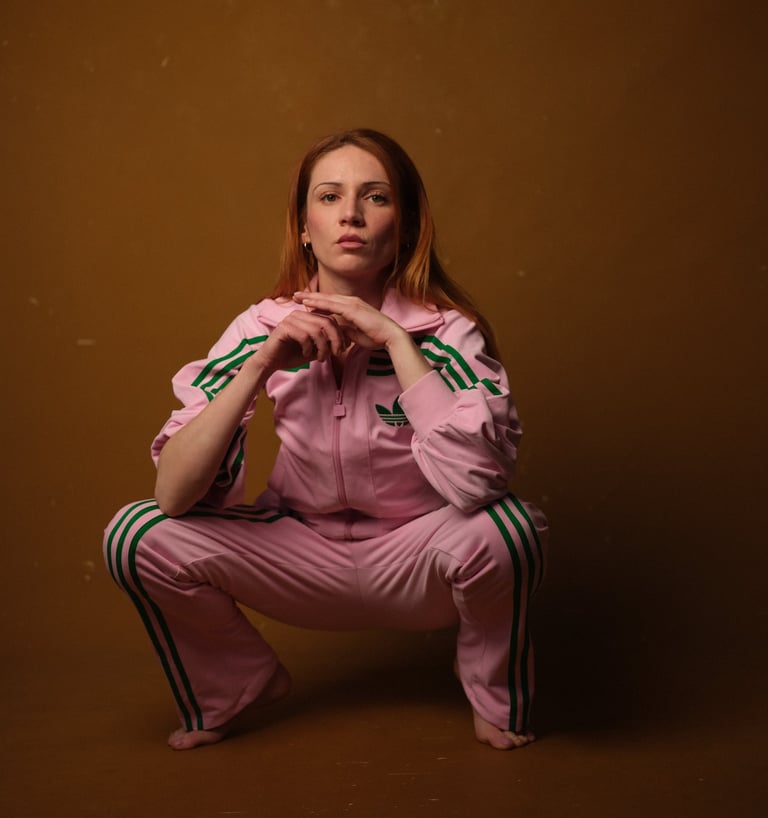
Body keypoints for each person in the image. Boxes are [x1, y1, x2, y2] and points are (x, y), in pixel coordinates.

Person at [103, 128, 548, 751]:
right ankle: (235, 683)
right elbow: (174, 494)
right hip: (299, 556)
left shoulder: (448, 333)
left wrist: (396, 341)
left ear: (405, 227)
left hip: (416, 560)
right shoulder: (259, 326)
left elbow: (480, 483)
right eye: (330, 196)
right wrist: (260, 365)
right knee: (135, 534)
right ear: (305, 227)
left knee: (510, 530)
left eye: (376, 197)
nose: (351, 215)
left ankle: (491, 692)